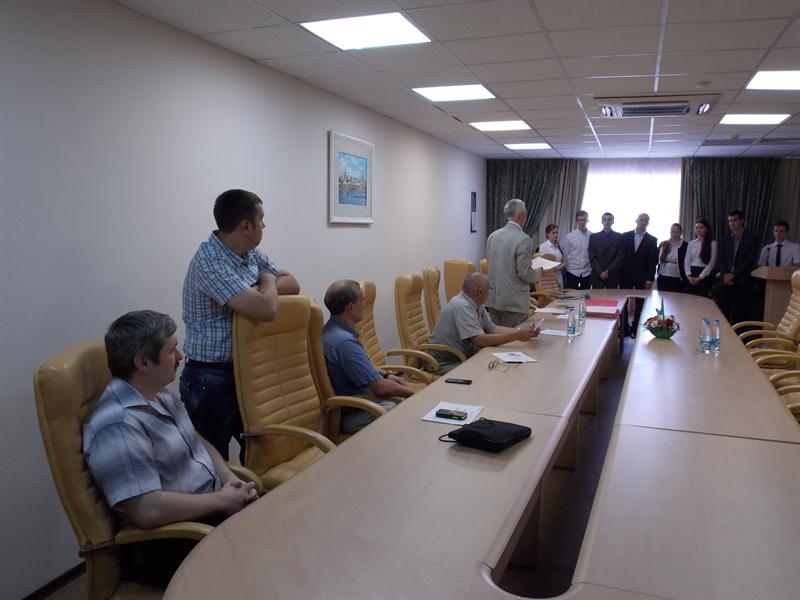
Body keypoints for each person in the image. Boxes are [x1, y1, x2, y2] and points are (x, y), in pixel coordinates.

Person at [84, 311, 258, 584]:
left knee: (286, 516)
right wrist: (224, 501)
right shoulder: (118, 424)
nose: (180, 356)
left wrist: (228, 478)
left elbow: (196, 440)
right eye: (171, 350)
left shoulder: (157, 394)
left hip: (209, 508)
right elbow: (147, 510)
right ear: (142, 362)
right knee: (270, 554)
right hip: (174, 538)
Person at [181, 189, 300, 460]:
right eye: (261, 219)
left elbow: (293, 283)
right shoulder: (210, 262)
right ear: (245, 226)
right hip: (210, 378)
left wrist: (257, 288)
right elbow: (266, 309)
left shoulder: (250, 253)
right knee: (214, 461)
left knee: (259, 449)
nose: (264, 226)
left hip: (244, 369)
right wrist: (267, 280)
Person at [322, 279, 414, 434]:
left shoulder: (332, 331)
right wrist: (417, 395)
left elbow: (364, 368)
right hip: (360, 412)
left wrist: (387, 375)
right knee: (412, 411)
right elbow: (381, 388)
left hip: (364, 404)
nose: (364, 305)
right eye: (362, 300)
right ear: (351, 307)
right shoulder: (344, 343)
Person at [427, 273, 540, 373]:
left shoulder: (476, 303)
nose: (490, 292)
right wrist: (516, 336)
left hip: (460, 357)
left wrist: (523, 332)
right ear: (480, 291)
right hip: (442, 362)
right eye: (489, 289)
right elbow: (480, 340)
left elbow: (492, 329)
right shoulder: (462, 307)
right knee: (485, 373)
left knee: (494, 368)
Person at [486, 198, 542, 327]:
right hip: (514, 302)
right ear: (521, 216)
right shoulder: (523, 239)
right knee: (514, 337)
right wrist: (539, 274)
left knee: (496, 337)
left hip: (493, 300)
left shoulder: (492, 236)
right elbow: (524, 273)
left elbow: (491, 264)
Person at [715, 210, 759, 323]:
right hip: (726, 281)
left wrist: (733, 275)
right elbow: (721, 259)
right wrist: (726, 275)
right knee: (722, 313)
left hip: (742, 281)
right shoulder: (725, 239)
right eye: (730, 221)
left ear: (742, 221)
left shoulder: (752, 238)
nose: (732, 223)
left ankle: (738, 334)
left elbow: (749, 261)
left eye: (735, 220)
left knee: (740, 315)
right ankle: (722, 333)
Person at [621, 213, 658, 336]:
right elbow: (620, 256)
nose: (643, 222)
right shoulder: (625, 236)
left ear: (648, 223)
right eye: (641, 220)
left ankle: (635, 328)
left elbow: (653, 262)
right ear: (636, 221)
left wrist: (650, 279)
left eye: (646, 220)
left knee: (640, 304)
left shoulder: (652, 240)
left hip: (642, 277)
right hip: (625, 275)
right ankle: (624, 328)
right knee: (623, 303)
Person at [588, 212, 625, 289]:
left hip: (613, 275)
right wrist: (600, 272)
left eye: (609, 219)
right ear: (601, 221)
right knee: (596, 296)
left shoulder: (620, 237)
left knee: (612, 296)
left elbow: (619, 257)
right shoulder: (593, 237)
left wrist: (607, 271)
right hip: (597, 275)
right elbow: (592, 256)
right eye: (605, 219)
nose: (607, 222)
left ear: (613, 221)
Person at [684, 219, 717, 298]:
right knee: (689, 298)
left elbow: (712, 263)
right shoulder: (691, 243)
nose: (698, 230)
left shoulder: (713, 243)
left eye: (701, 227)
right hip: (692, 272)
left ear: (707, 229)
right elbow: (687, 260)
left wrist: (700, 277)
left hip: (705, 274)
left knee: (702, 299)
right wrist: (688, 275)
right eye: (696, 227)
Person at [562, 210, 592, 289]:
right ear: (576, 221)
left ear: (587, 220)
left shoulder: (592, 236)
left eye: (584, 219)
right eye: (580, 220)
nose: (582, 222)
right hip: (572, 271)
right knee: (571, 295)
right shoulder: (569, 236)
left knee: (586, 295)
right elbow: (566, 254)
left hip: (587, 271)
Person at [656, 223, 688, 293]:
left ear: (681, 233)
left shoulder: (686, 245)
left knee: (675, 298)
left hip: (677, 277)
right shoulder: (663, 244)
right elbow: (657, 259)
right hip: (662, 276)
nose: (674, 234)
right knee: (662, 298)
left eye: (676, 232)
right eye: (672, 232)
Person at [538, 223, 566, 288]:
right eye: (553, 233)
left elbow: (562, 261)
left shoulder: (558, 245)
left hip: (559, 276)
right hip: (548, 278)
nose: (556, 235)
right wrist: (559, 267)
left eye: (557, 233)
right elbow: (543, 265)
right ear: (547, 234)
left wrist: (562, 265)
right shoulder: (543, 246)